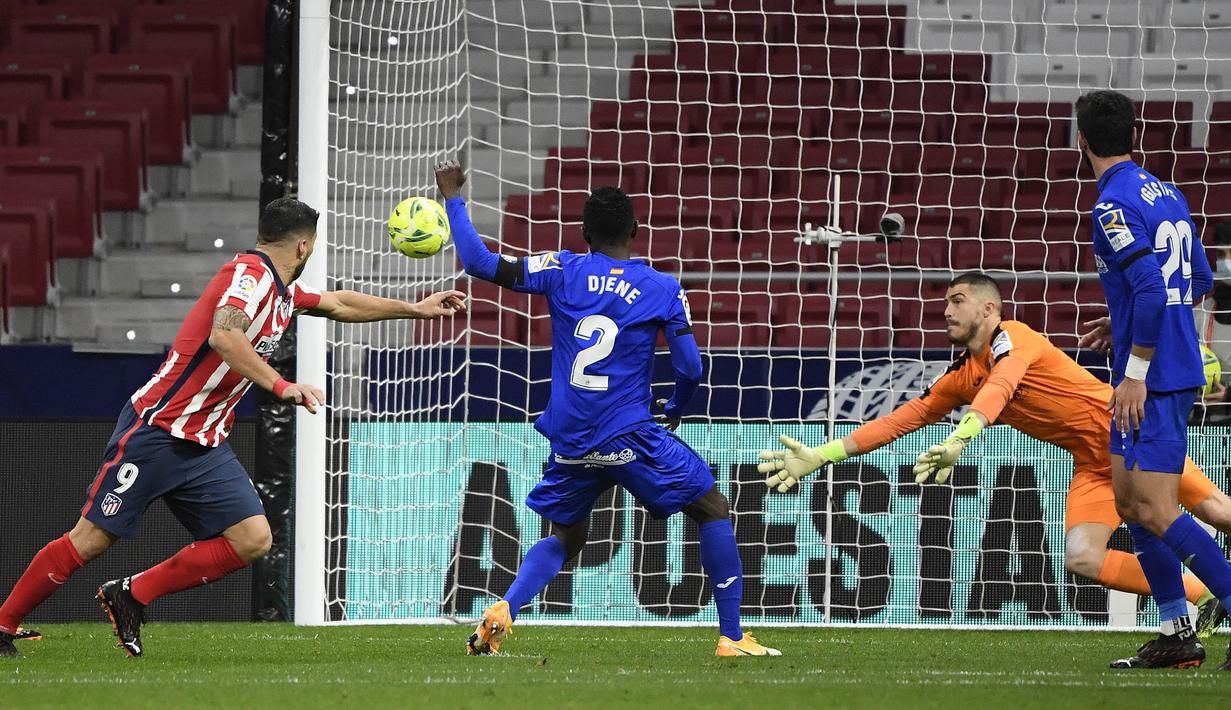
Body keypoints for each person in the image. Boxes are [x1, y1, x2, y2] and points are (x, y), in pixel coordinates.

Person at [0, 198, 466, 658]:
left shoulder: (280, 291)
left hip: (204, 443)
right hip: (159, 429)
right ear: (304, 247)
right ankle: (3, 624)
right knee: (91, 540)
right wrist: (279, 384)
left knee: (252, 538)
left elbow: (340, 302)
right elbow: (225, 335)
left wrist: (415, 309)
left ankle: (132, 594)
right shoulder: (249, 277)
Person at [757, 273, 1231, 643]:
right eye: (945, 302)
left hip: (1130, 437)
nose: (944, 311)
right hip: (1094, 465)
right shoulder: (963, 374)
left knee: (1216, 512)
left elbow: (1002, 386)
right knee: (1082, 557)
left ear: (989, 308)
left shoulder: (1015, 337)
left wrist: (963, 437)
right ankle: (1204, 594)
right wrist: (821, 455)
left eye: (956, 300)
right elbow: (907, 417)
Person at [434, 159, 778, 657]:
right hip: (628, 433)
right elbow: (691, 366)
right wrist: (677, 407)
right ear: (636, 231)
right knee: (712, 507)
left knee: (566, 538)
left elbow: (481, 264)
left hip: (571, 436)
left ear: (583, 232)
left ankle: (504, 608)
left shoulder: (562, 268)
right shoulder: (661, 286)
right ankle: (731, 637)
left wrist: (453, 197)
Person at [1075, 89, 1231, 669]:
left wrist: (1139, 364)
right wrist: (1127, 325)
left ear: (1082, 140)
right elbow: (1196, 282)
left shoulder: (1111, 205)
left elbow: (1149, 286)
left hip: (1154, 379)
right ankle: (1176, 632)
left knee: (1160, 510)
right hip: (1156, 361)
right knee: (1130, 504)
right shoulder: (1168, 193)